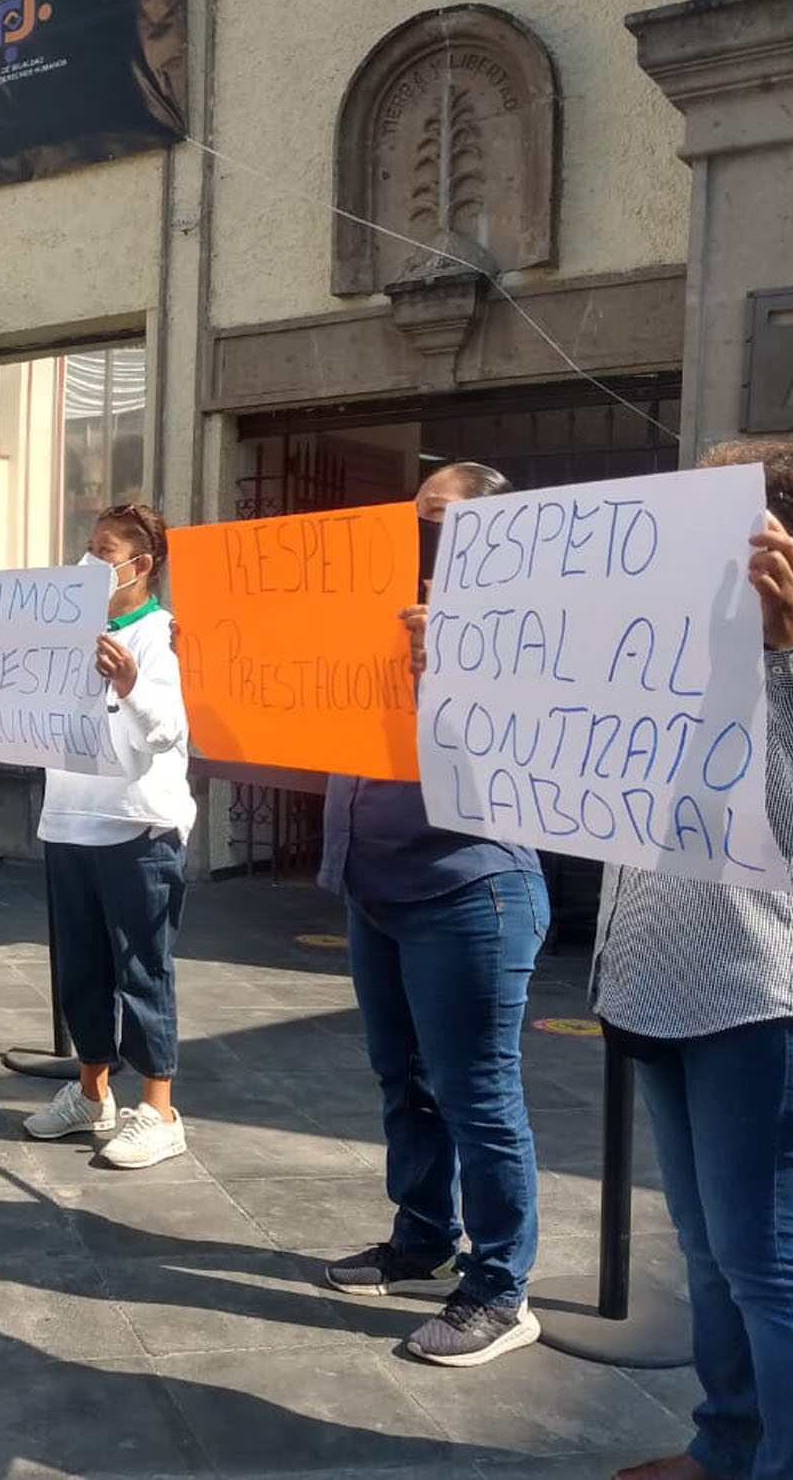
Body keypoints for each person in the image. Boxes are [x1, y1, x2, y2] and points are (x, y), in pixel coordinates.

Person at [601, 440, 793, 1480]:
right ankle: (727, 1447)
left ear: (783, 543)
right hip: (661, 996)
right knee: (715, 1263)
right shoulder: (659, 648)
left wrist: (791, 643)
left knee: (771, 1269)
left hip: (766, 1005)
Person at [316, 461, 548, 1369]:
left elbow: (543, 748)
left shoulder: (535, 632)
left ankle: (500, 1288)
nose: (422, 539)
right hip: (377, 887)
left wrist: (462, 666)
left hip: (470, 891)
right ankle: (421, 1240)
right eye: (416, 521)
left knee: (478, 1095)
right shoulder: (378, 616)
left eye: (441, 524)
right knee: (402, 1079)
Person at [23, 504, 196, 1168]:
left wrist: (128, 683)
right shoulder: (66, 630)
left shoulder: (161, 635)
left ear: (141, 564)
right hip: (70, 818)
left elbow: (165, 733)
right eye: (87, 547)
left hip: (137, 824)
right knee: (82, 967)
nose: (88, 561)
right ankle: (92, 1094)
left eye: (104, 550)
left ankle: (158, 1108)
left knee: (143, 967)